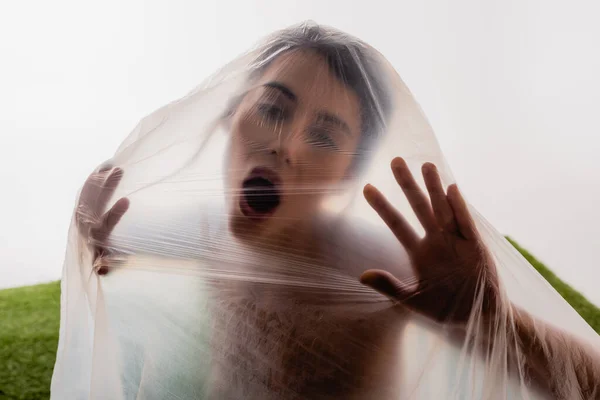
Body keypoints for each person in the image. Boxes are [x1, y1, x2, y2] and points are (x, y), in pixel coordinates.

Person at [75, 23, 600, 399]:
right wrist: (97, 241)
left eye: (325, 135)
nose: (285, 145)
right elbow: (118, 248)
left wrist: (486, 315)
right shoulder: (207, 232)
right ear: (230, 116)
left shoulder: (382, 268)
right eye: (272, 109)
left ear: (349, 174)